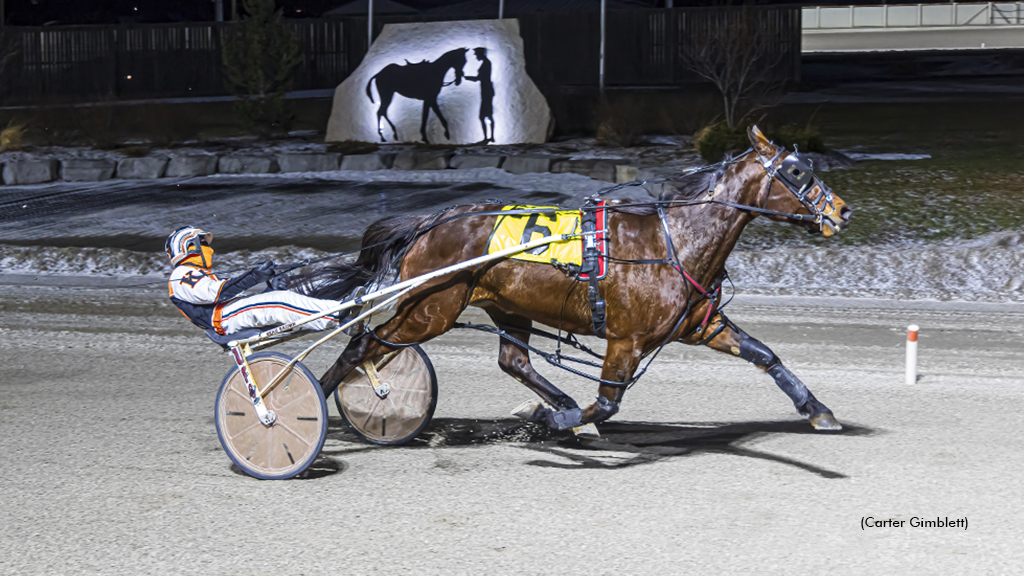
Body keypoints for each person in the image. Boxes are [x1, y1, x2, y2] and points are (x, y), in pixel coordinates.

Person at [165, 226, 342, 337]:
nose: (209, 248)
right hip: (223, 318)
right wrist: (254, 276)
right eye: (203, 243)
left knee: (288, 293)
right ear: (188, 246)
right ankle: (338, 315)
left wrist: (268, 288)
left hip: (231, 313)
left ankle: (339, 306)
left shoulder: (199, 273)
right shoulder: (181, 274)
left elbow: (234, 296)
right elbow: (217, 293)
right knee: (281, 301)